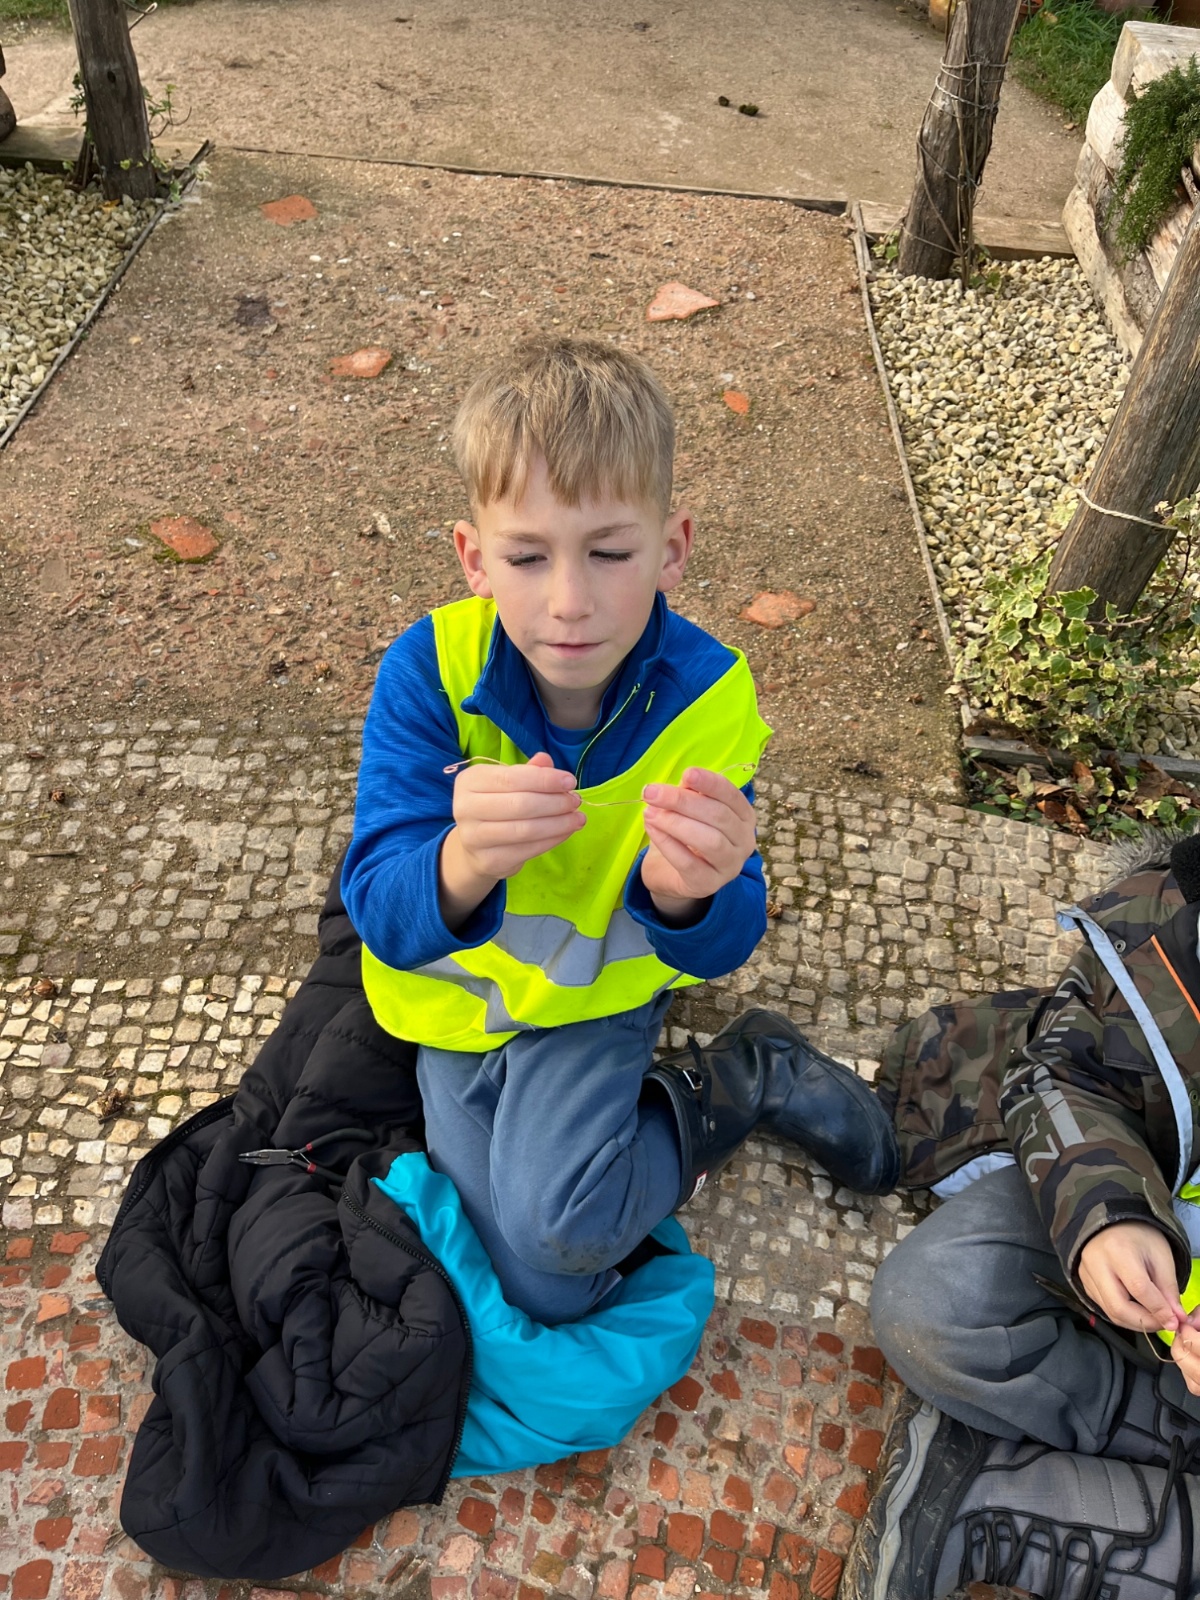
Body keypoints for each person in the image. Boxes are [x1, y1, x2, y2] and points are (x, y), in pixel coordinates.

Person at [341, 337, 898, 1325]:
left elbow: (727, 935)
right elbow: (381, 910)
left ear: (672, 547)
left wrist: (691, 894)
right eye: (527, 556)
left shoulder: (708, 700)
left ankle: (743, 1076)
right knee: (537, 1280)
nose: (570, 602)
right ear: (474, 558)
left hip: (593, 1000)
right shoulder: (429, 671)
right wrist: (462, 860)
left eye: (609, 553)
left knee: (555, 1243)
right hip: (456, 1008)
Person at [844, 834, 1200, 1600]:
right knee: (934, 1303)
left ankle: (1010, 1498)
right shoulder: (1172, 921)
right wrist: (1106, 1213)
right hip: (1147, 1239)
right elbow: (1063, 1067)